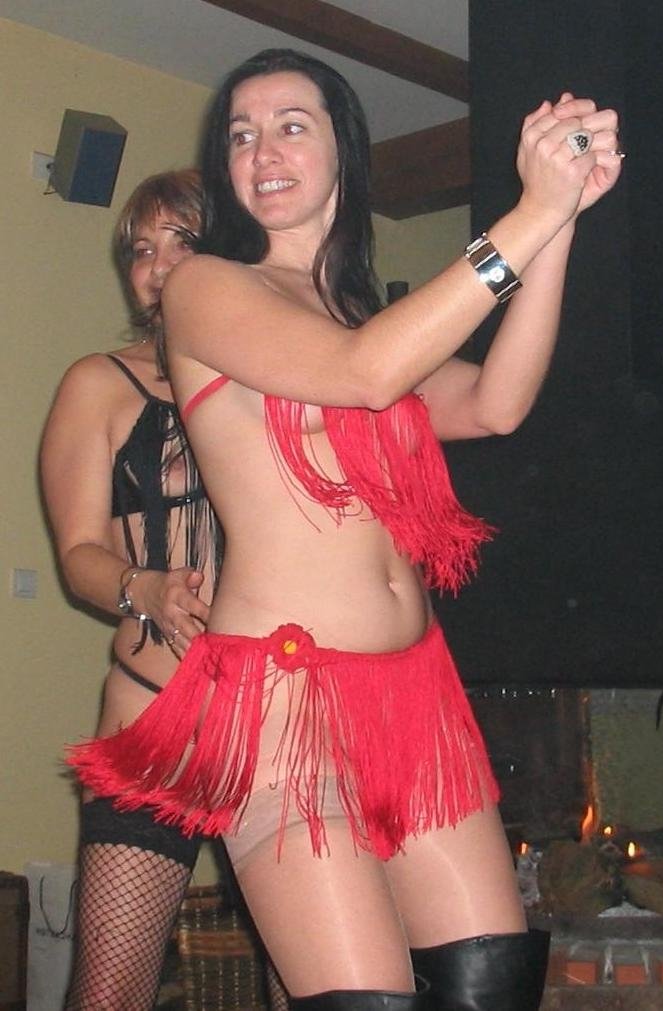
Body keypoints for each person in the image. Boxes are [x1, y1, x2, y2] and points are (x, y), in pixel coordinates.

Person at [68, 47, 622, 1010]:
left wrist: (561, 218)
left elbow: (495, 402)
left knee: (490, 980)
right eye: (241, 135)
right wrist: (526, 215)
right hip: (286, 705)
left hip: (415, 699)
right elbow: (366, 373)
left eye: (292, 126)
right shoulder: (208, 288)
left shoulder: (361, 315)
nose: (263, 150)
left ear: (342, 153)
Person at [42, 169, 288, 1011]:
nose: (156, 265)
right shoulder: (98, 383)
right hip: (156, 718)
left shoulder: (282, 368)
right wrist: (141, 584)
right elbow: (77, 552)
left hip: (279, 719)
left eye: (180, 239)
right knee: (109, 995)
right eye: (140, 250)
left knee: (314, 988)